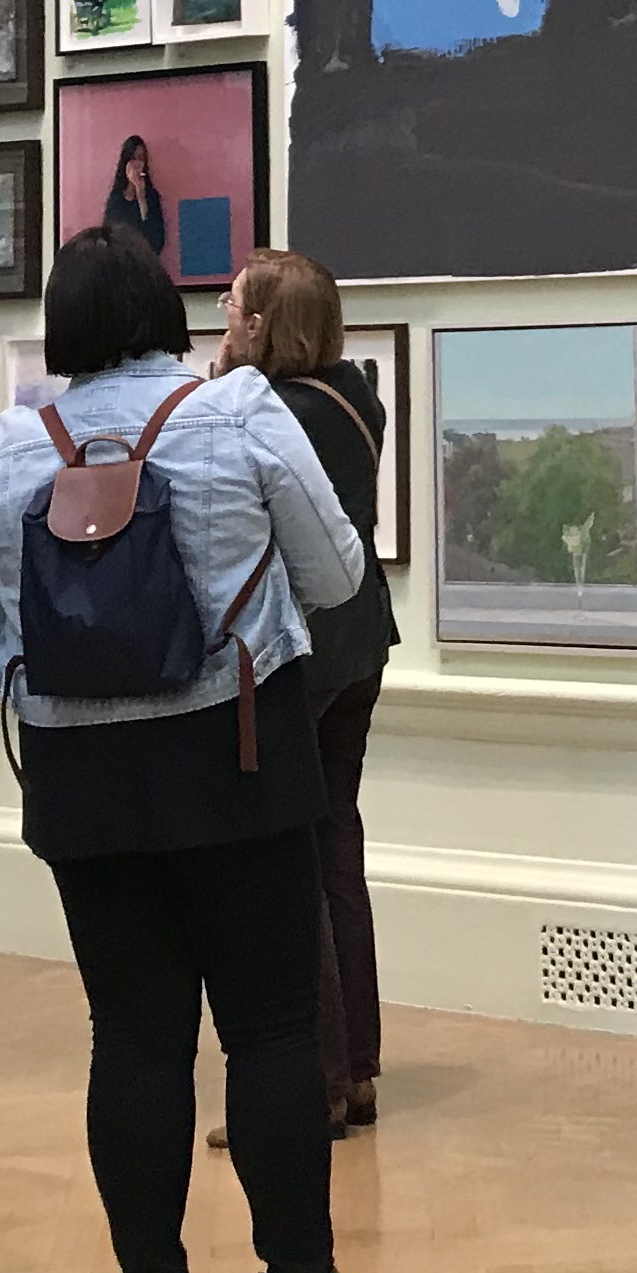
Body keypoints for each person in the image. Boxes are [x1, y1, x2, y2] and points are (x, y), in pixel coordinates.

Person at [0, 229, 426, 1273]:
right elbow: (337, 575)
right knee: (270, 1033)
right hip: (236, 756)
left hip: (77, 776)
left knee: (129, 1038)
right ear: (165, 315)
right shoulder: (236, 412)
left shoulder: (17, 443)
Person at [222, 248, 401, 1132]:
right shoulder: (356, 396)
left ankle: (317, 1080)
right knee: (337, 848)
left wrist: (228, 375)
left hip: (303, 650)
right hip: (363, 638)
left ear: (261, 324)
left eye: (232, 309)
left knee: (290, 864)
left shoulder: (273, 412)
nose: (222, 321)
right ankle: (357, 1067)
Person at [107, 136, 167, 258]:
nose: (137, 164)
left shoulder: (151, 197)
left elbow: (156, 239)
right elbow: (109, 235)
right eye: (133, 158)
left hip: (145, 261)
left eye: (141, 158)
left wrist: (141, 196)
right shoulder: (116, 199)